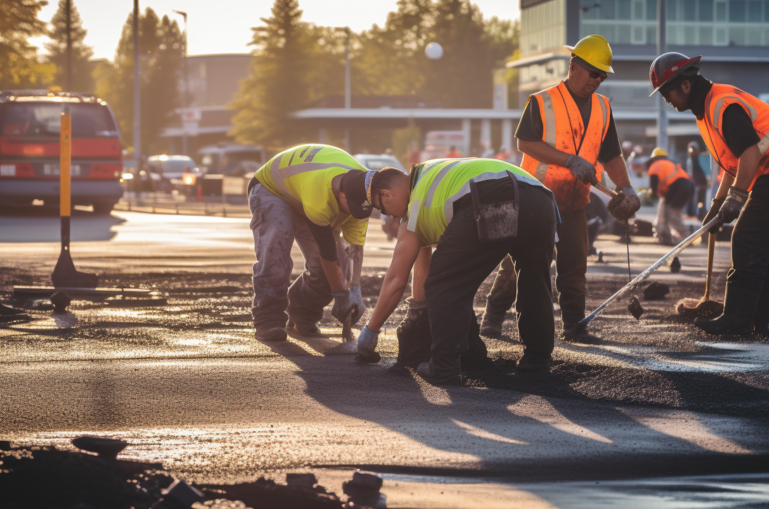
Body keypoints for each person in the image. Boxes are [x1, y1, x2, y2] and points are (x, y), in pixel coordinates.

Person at [479, 35, 640, 343]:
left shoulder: (603, 108)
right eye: (594, 72)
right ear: (573, 66)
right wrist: (569, 160)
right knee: (520, 264)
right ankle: (493, 318)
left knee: (574, 264)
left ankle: (574, 327)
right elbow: (525, 142)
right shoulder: (542, 101)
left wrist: (627, 187)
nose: (598, 80)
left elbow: (611, 154)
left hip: (574, 200)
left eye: (603, 75)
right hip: (535, 197)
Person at [650, 52, 769, 334]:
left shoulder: (721, 105)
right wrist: (717, 205)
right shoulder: (706, 110)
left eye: (667, 92)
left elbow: (750, 152)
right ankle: (756, 321)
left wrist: (737, 198)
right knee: (763, 245)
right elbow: (733, 161)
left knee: (747, 237)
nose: (666, 99)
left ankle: (737, 320)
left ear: (686, 85)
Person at [356, 159, 559, 383]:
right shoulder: (431, 175)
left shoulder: (415, 205)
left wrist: (371, 330)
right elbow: (420, 263)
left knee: (444, 284)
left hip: (495, 197)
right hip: (542, 199)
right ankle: (538, 360)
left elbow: (396, 279)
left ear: (386, 195)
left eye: (382, 209)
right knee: (535, 282)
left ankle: (444, 366)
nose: (392, 217)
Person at [248, 144, 374, 342]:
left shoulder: (363, 190)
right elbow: (328, 253)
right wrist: (341, 295)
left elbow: (354, 247)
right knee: (276, 250)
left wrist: (355, 290)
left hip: (305, 194)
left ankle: (302, 311)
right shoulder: (320, 190)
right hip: (273, 189)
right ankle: (268, 318)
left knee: (333, 270)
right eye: (350, 209)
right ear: (341, 195)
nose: (352, 215)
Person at [647, 148, 696, 245]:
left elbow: (654, 185)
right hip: (685, 187)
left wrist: (651, 196)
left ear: (654, 158)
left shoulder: (655, 165)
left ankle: (683, 238)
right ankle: (669, 236)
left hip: (677, 188)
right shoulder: (670, 164)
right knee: (669, 212)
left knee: (671, 214)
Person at [685, 141, 709, 217]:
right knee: (692, 198)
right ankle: (691, 213)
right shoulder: (689, 161)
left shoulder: (701, 159)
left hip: (701, 183)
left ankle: (700, 214)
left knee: (701, 199)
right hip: (693, 183)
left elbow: (703, 171)